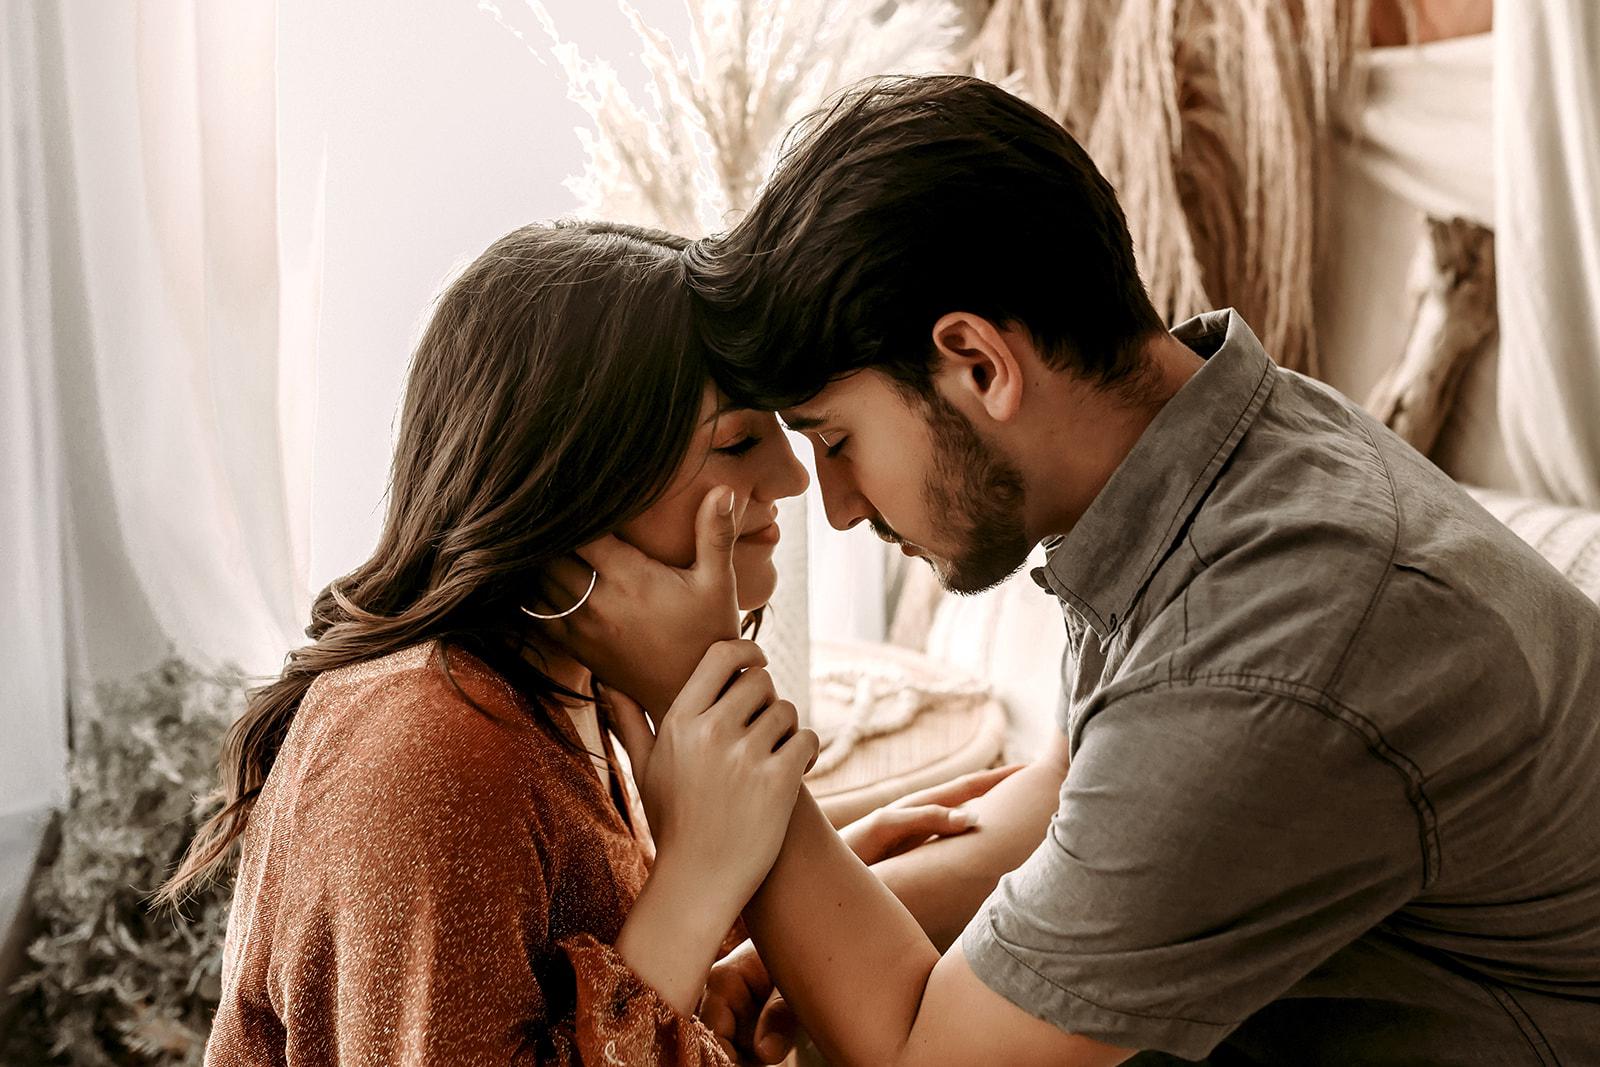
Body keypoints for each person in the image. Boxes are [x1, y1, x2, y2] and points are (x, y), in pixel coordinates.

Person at [571, 76, 1600, 1065]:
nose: (837, 506)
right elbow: (1073, 798)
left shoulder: (1264, 645)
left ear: (978, 363)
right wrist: (779, 949)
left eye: (836, 439)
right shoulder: (1218, 453)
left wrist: (711, 707)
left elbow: (927, 1056)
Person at [159, 220, 999, 1065]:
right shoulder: (428, 751)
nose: (791, 479)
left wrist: (782, 878)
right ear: (577, 478)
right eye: (740, 441)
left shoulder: (570, 688)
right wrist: (703, 877)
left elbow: (570, 951)